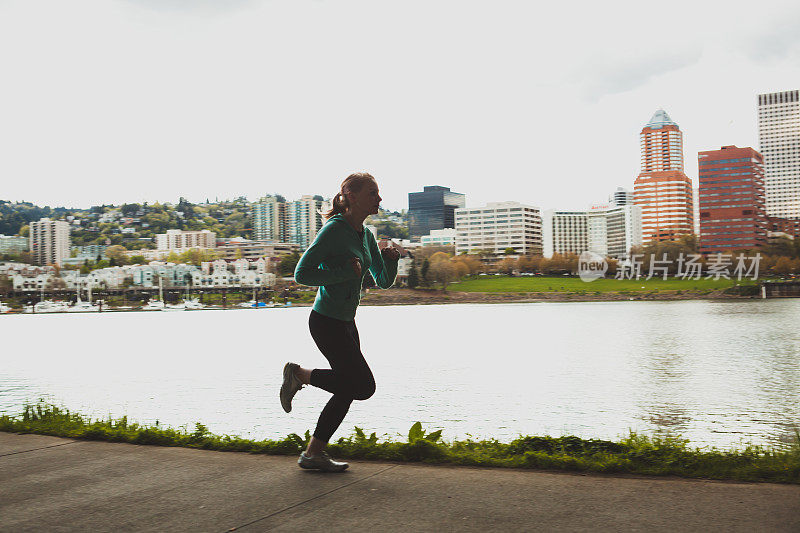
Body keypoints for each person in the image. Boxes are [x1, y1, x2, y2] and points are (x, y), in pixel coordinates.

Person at [280, 172, 401, 472]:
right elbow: (301, 273)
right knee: (363, 386)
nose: (379, 198)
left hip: (347, 323)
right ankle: (299, 375)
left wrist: (392, 259)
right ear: (352, 194)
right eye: (373, 192)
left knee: (348, 388)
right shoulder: (333, 231)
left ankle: (313, 454)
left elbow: (383, 282)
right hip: (325, 322)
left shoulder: (366, 235)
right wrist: (343, 275)